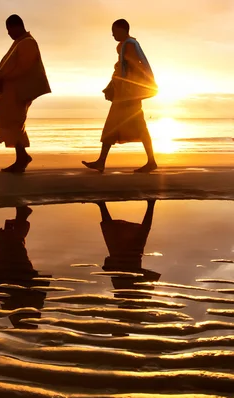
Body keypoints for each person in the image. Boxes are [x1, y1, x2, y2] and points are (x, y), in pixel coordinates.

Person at [83, 19, 158, 174]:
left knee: (128, 127)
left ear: (123, 30)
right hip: (126, 95)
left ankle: (150, 161)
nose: (112, 34)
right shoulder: (126, 45)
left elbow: (133, 69)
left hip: (128, 96)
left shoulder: (129, 45)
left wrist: (126, 89)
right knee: (122, 126)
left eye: (114, 31)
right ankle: (102, 161)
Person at [0, 15, 51, 173]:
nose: (8, 33)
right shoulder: (20, 43)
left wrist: (1, 76)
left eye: (9, 29)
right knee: (10, 122)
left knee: (14, 122)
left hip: (18, 90)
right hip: (11, 90)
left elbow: (23, 68)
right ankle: (22, 156)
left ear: (16, 26)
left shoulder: (27, 43)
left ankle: (22, 158)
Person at [96, 200, 161, 336]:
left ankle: (151, 204)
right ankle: (150, 204)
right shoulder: (132, 313)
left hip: (126, 262)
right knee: (114, 232)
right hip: (127, 262)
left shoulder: (131, 313)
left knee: (120, 233)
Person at [0, 206, 50, 328]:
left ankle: (22, 215)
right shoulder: (17, 312)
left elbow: (39, 294)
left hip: (16, 273)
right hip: (13, 272)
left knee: (13, 242)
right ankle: (22, 215)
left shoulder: (21, 312)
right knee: (13, 242)